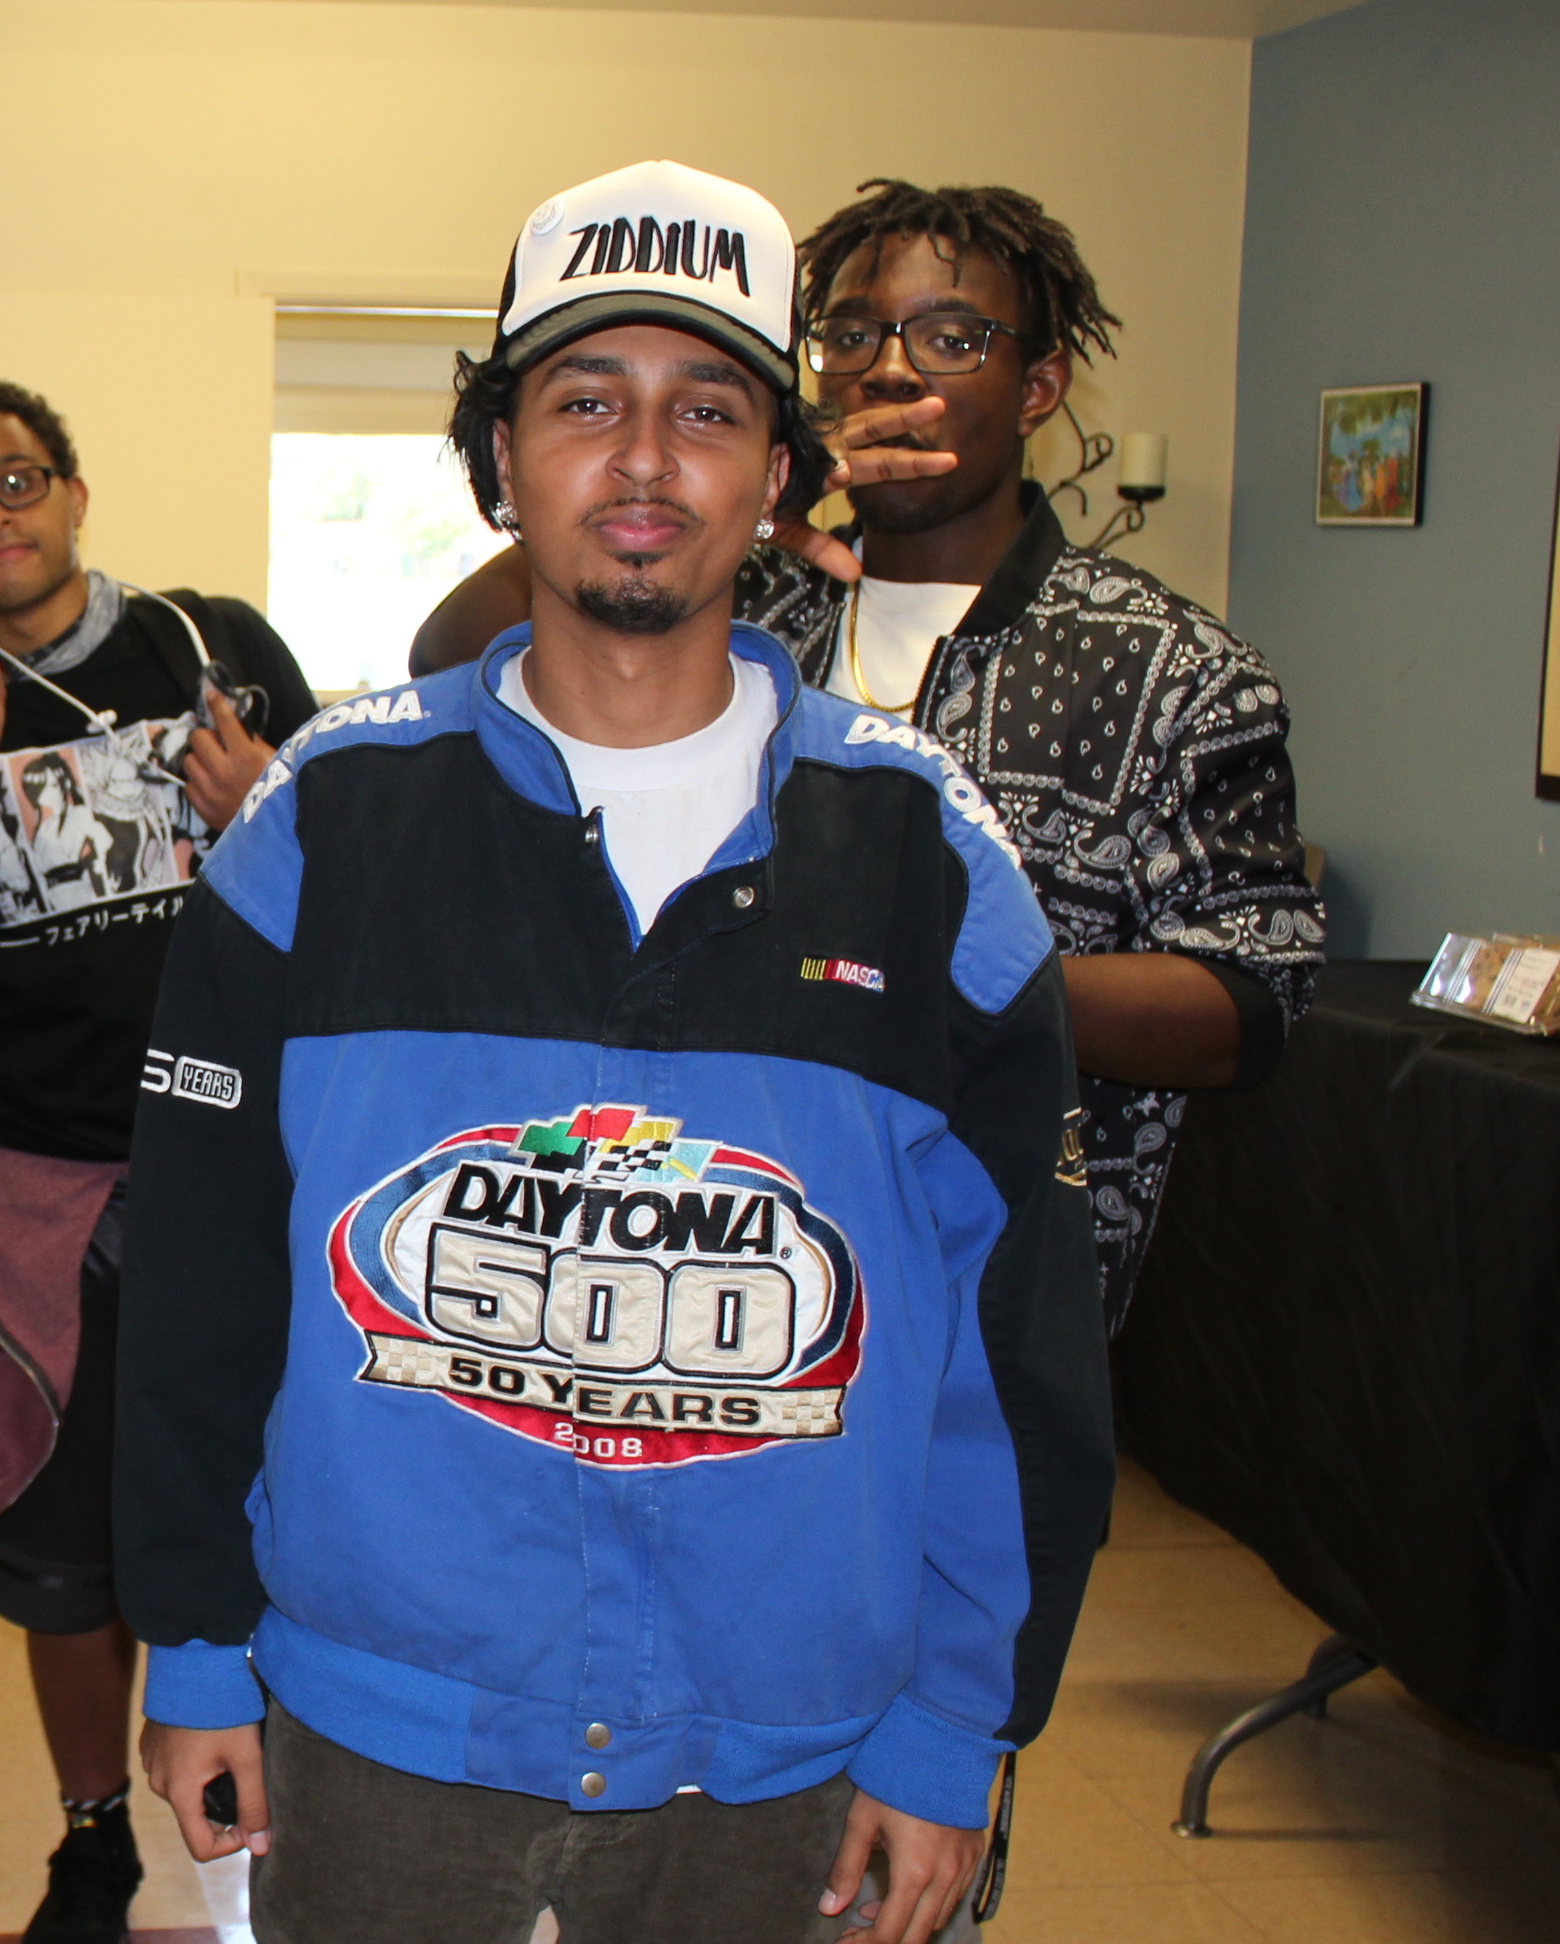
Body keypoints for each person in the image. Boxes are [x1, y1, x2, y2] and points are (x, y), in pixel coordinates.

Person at [121, 162, 1115, 1944]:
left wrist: (958, 1719)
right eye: (585, 402)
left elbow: (1020, 1348)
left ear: (779, 472)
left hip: (804, 1753)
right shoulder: (318, 832)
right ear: (500, 455)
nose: (643, 461)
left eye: (707, 410)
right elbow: (196, 1284)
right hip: (386, 1735)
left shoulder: (927, 858)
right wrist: (194, 1636)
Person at [411, 177, 1324, 1332]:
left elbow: (1250, 999)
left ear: (1037, 385)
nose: (891, 370)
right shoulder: (741, 607)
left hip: (990, 1289)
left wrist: (905, 969)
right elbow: (452, 651)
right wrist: (762, 493)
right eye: (851, 335)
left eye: (951, 337)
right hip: (694, 1265)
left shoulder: (1166, 667)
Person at [0, 374, 319, 1944]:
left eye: (19, 479)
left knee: (289, 1517)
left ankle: (277, 1829)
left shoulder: (217, 649)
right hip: (51, 1192)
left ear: (75, 491)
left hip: (255, 1171)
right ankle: (92, 1835)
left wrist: (269, 812)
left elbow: (351, 916)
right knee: (75, 1552)